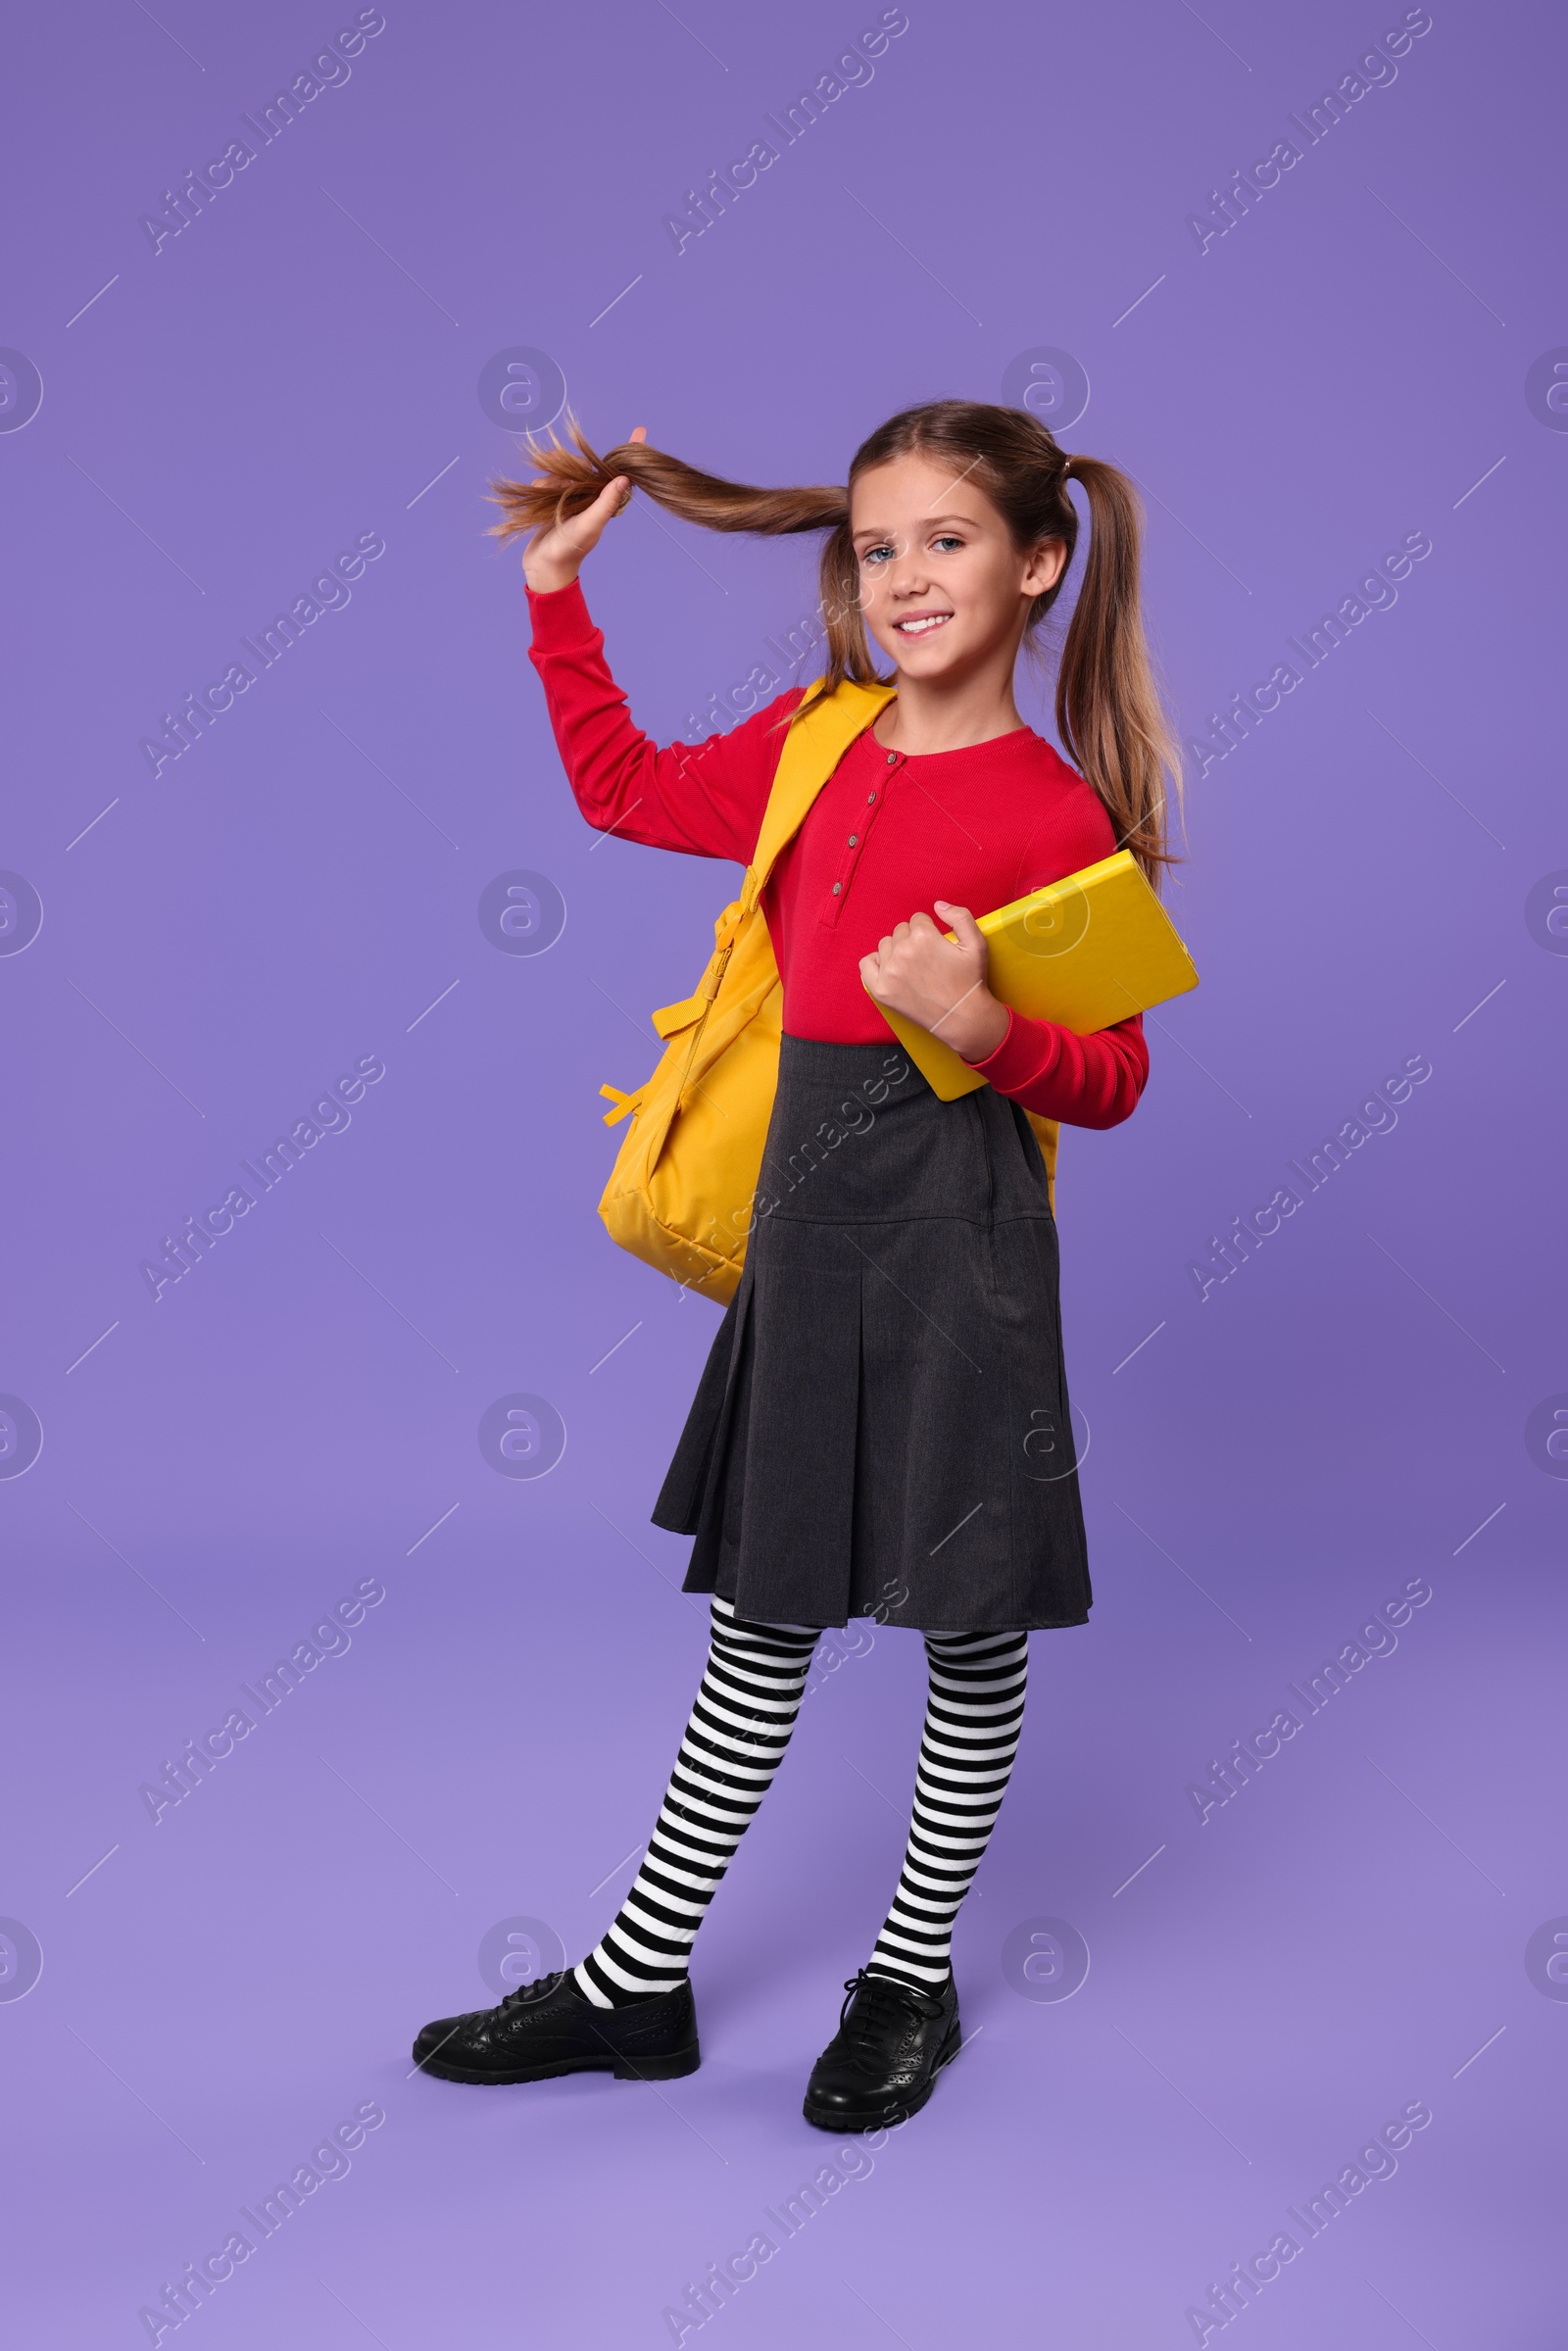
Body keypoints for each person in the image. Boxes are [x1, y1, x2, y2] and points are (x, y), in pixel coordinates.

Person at [413, 400, 1181, 2129]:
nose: (905, 577)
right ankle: (635, 1990)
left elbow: (1118, 1077)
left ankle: (910, 1983)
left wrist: (984, 1024)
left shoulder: (1054, 811)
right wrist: (556, 598)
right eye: (880, 543)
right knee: (763, 1608)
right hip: (807, 1230)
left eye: (949, 542)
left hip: (964, 1240)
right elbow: (619, 792)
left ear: (1037, 563)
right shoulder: (817, 738)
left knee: (965, 1630)